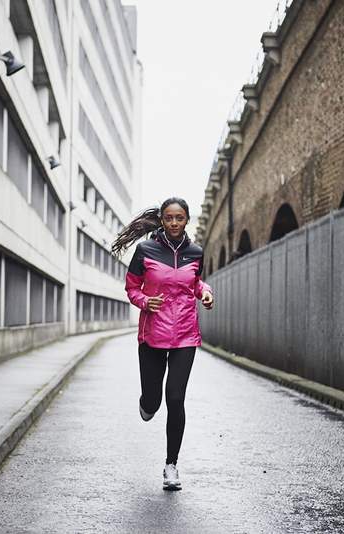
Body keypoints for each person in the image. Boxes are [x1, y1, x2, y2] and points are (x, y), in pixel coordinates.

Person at [111, 197, 214, 491]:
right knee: (154, 401)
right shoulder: (145, 250)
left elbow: (195, 283)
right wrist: (145, 301)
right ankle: (146, 403)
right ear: (162, 220)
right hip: (153, 335)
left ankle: (171, 465)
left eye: (179, 218)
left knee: (176, 399)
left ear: (186, 220)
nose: (173, 223)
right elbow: (132, 287)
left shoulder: (195, 252)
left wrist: (205, 293)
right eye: (169, 218)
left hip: (185, 335)